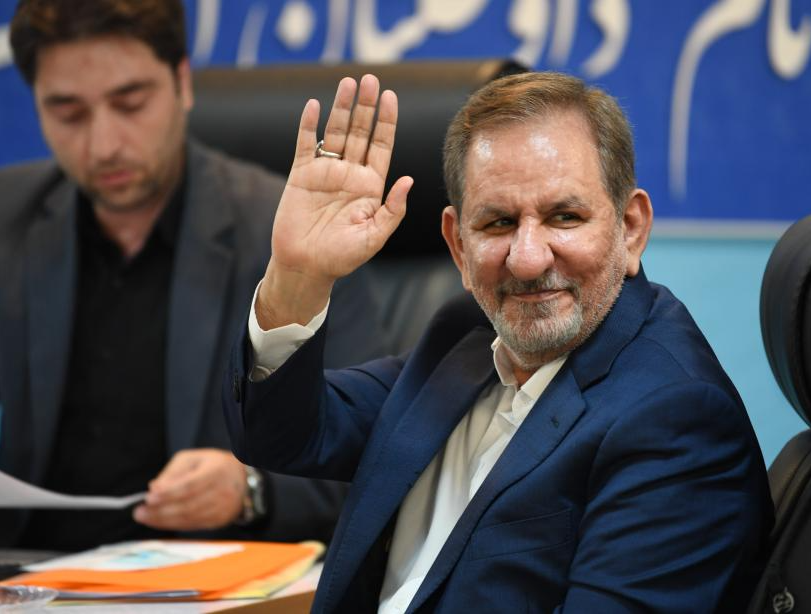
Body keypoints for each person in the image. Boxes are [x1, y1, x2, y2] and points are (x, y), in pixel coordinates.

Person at [224, 71, 773, 612]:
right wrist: (298, 276)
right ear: (459, 248)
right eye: (499, 223)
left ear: (630, 228)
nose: (528, 259)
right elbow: (283, 435)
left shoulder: (677, 418)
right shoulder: (468, 334)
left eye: (564, 217)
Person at [0, 0, 387, 551]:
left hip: (213, 574)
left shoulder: (290, 233)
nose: (104, 145)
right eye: (69, 113)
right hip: (32, 572)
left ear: (182, 84)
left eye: (131, 103)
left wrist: (251, 490)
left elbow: (364, 455)